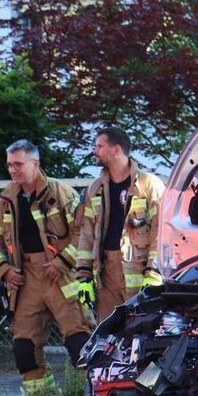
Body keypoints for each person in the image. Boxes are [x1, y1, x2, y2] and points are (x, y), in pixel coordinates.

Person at [0, 139, 92, 396]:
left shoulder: (60, 192)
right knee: (24, 350)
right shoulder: (7, 199)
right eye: (9, 165)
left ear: (35, 163)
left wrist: (63, 261)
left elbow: (84, 231)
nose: (13, 170)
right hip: (25, 280)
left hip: (63, 277)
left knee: (80, 345)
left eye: (18, 164)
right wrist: (4, 270)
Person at [65, 126, 167, 322]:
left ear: (116, 149)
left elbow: (160, 233)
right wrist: (84, 276)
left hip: (139, 271)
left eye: (99, 146)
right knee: (108, 335)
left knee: (140, 333)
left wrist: (154, 273)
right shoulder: (95, 189)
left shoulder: (149, 185)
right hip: (106, 274)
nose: (94, 151)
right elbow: (86, 235)